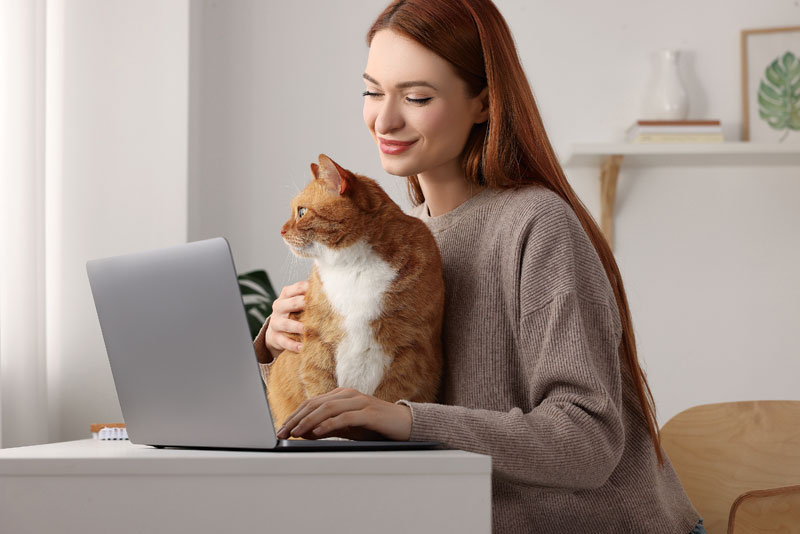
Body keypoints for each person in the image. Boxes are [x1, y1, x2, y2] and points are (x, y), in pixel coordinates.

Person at [254, 0, 704, 532]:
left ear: (484, 105)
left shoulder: (536, 224)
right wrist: (277, 346)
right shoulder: (388, 244)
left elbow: (588, 441)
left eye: (417, 96)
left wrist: (406, 419)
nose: (385, 118)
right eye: (372, 92)